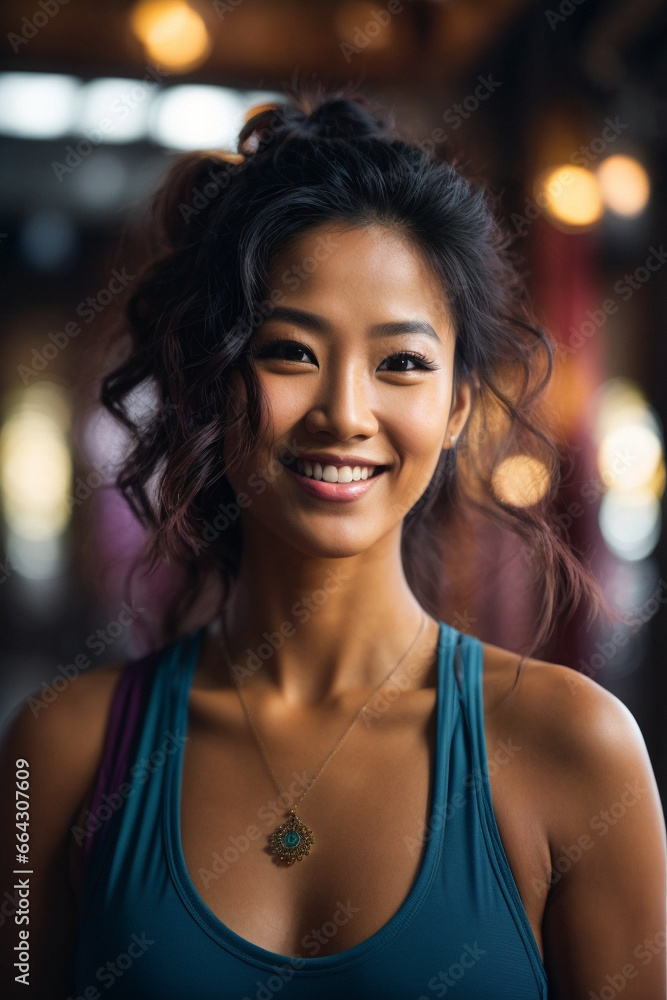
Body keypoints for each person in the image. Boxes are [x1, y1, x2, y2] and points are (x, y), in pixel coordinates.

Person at [1, 84, 665, 1000]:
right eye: (289, 352)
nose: (345, 414)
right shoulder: (57, 754)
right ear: (211, 383)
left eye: (400, 363)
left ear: (456, 407)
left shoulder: (576, 750)